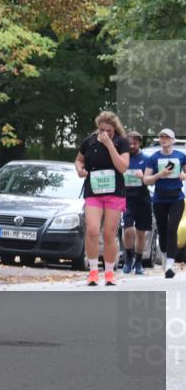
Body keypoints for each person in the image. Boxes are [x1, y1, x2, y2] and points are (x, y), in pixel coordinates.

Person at [75, 111, 131, 286]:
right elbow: (78, 160)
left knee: (109, 234)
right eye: (102, 130)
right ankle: (92, 272)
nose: (105, 133)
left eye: (109, 130)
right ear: (97, 128)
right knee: (92, 230)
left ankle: (109, 273)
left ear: (115, 129)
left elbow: (122, 167)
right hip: (94, 191)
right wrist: (79, 169)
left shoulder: (121, 142)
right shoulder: (89, 141)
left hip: (114, 193)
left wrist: (109, 145)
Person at [142, 128, 186, 278]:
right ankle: (166, 256)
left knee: (172, 229)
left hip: (177, 198)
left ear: (173, 140)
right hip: (159, 198)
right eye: (161, 137)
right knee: (162, 230)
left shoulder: (181, 156)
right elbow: (146, 180)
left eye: (167, 137)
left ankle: (170, 265)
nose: (164, 139)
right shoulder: (153, 158)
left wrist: (183, 175)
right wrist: (160, 174)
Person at [121, 131, 152, 275]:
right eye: (129, 143)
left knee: (141, 234)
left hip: (143, 200)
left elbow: (152, 180)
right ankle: (128, 258)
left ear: (140, 143)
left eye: (135, 143)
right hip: (127, 199)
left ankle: (138, 262)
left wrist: (144, 177)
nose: (132, 145)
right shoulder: (123, 158)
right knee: (128, 231)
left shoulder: (147, 159)